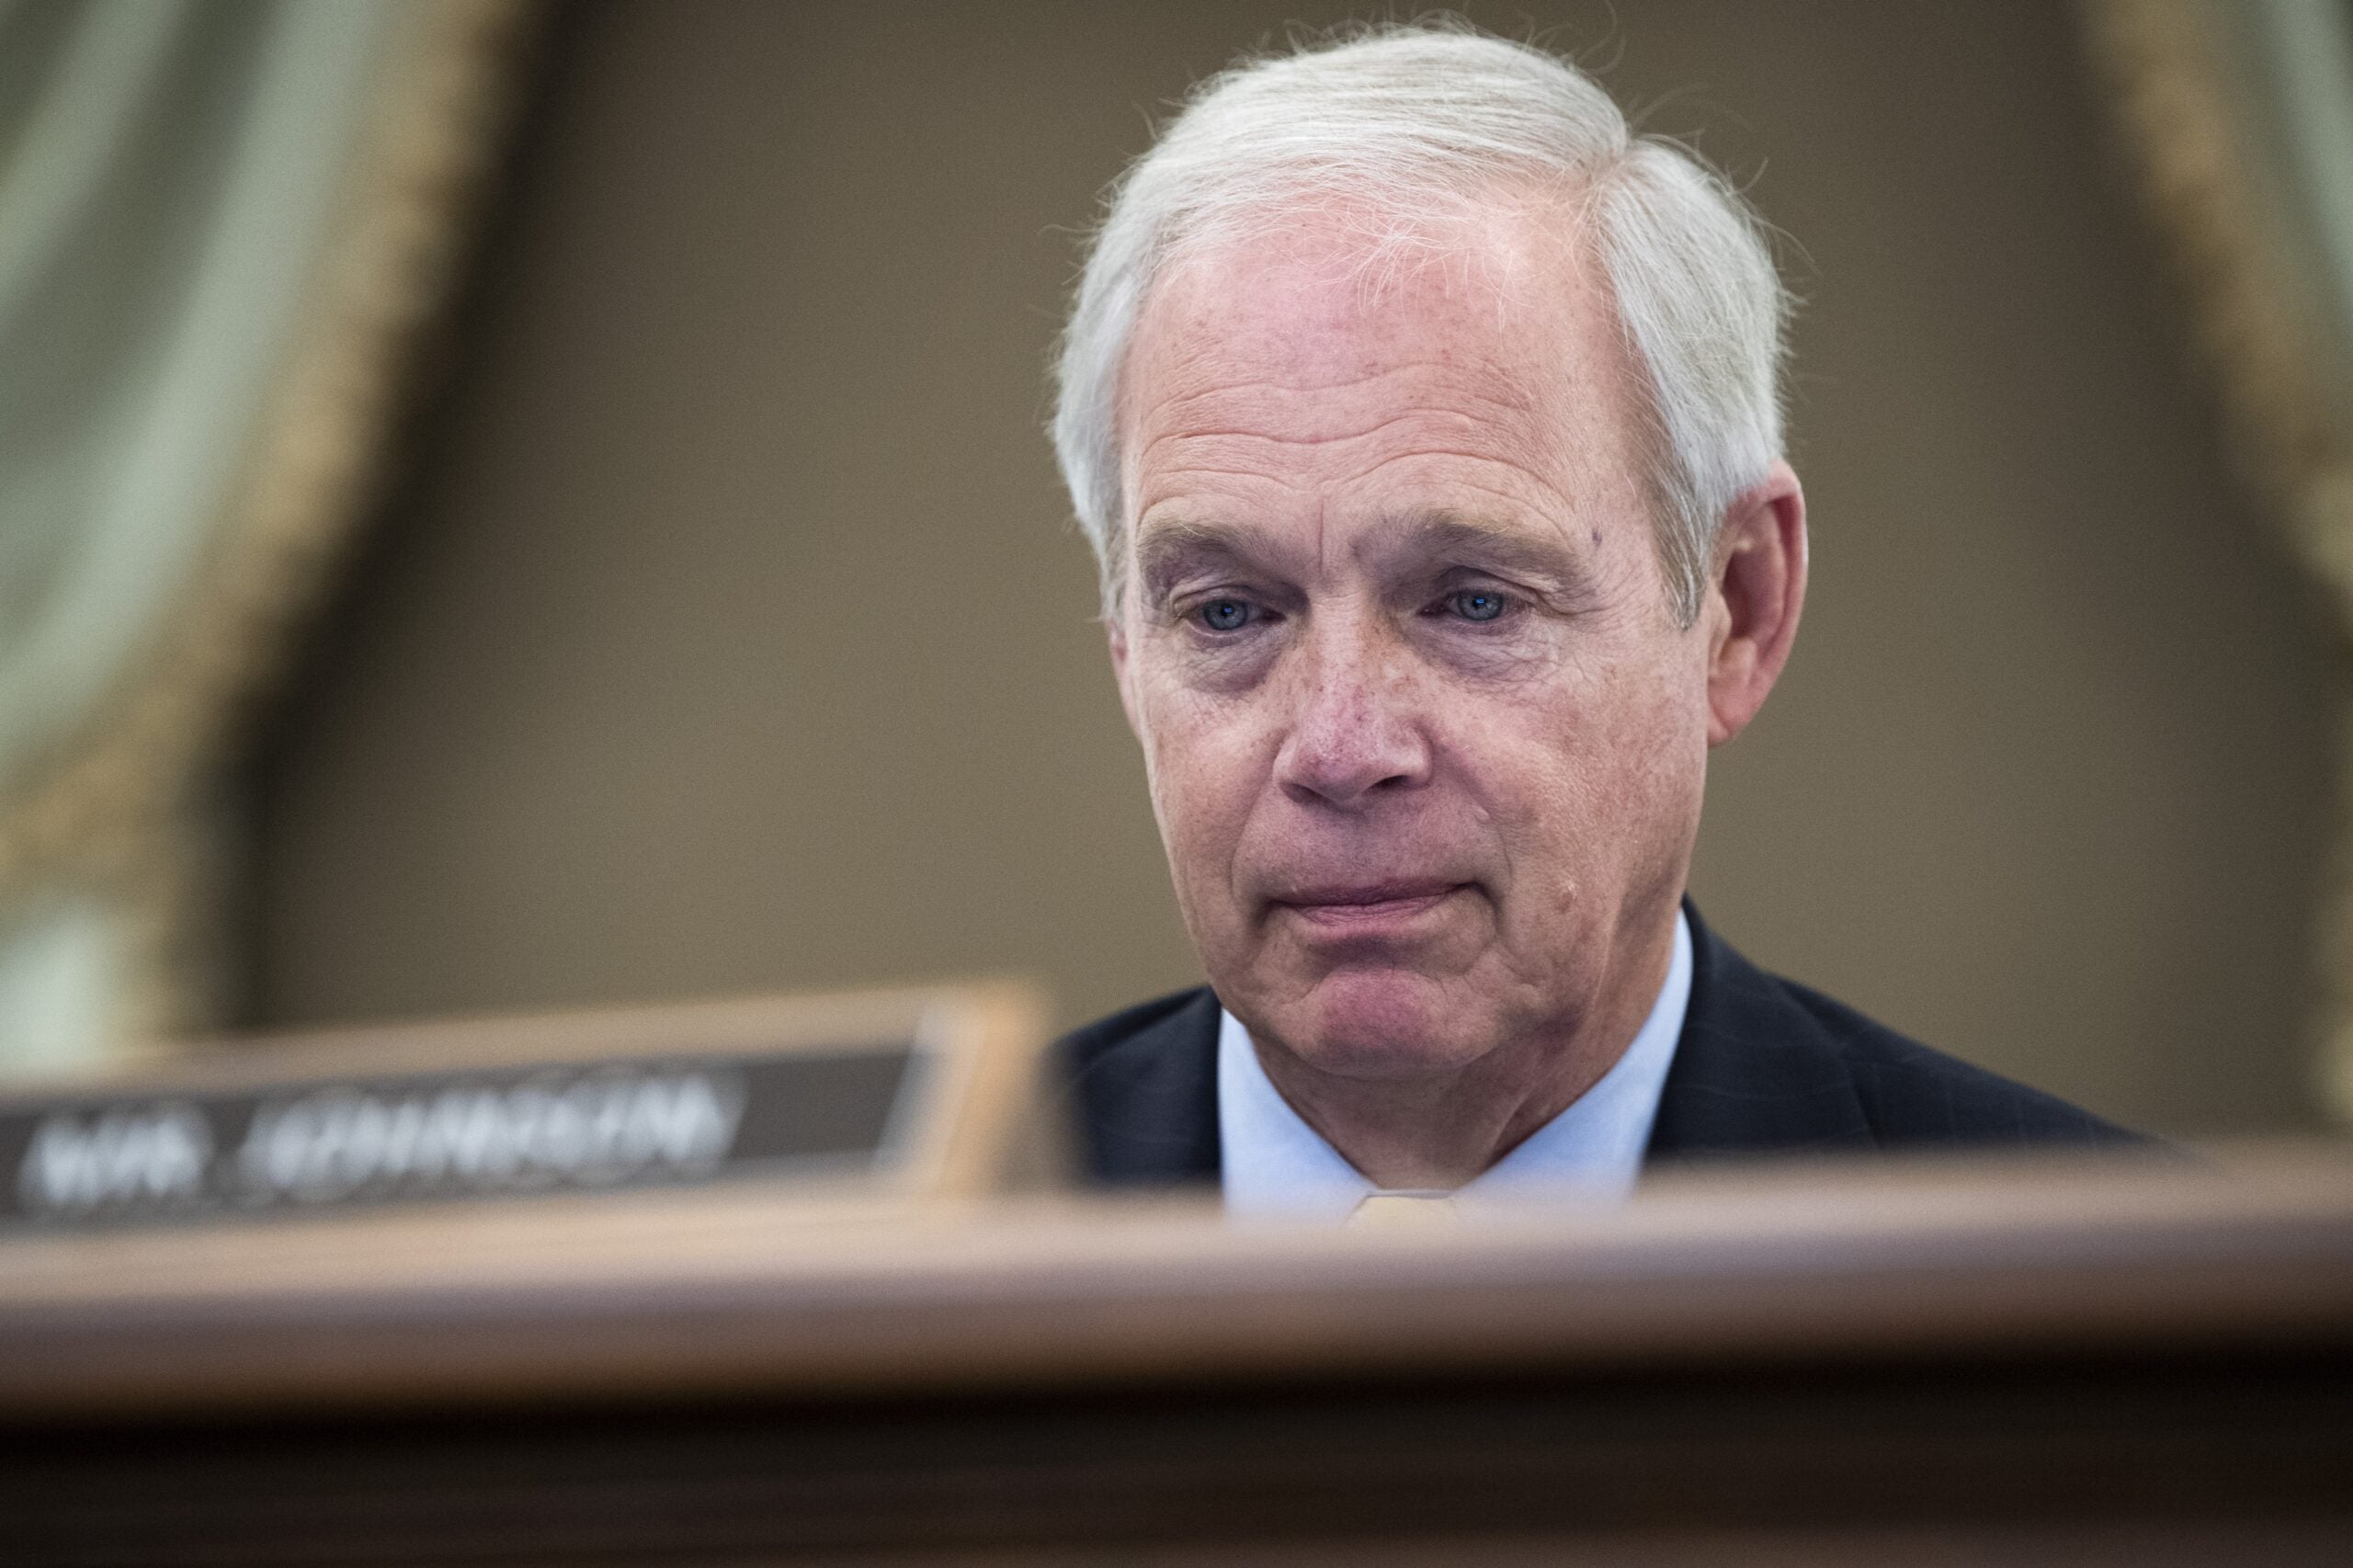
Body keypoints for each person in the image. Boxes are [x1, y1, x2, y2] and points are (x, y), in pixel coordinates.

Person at [1046, 24, 2134, 1219]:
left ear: (1736, 608)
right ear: (1126, 657)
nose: (1342, 747)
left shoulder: (2144, 1312)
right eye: (1229, 612)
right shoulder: (892, 1264)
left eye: (1471, 600)